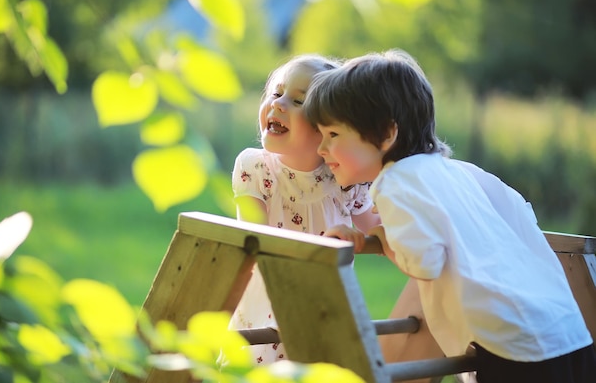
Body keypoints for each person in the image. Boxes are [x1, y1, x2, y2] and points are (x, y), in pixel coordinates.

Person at [303, 48, 596, 383]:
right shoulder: (458, 172)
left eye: (333, 135)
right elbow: (519, 214)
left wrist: (383, 237)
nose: (321, 149)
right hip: (569, 334)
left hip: (515, 348)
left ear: (387, 134)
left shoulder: (394, 183)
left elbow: (424, 263)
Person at [230, 54, 380, 365]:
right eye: (276, 92)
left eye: (298, 101)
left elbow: (377, 234)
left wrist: (356, 236)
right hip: (268, 314)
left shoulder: (344, 178)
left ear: (327, 128)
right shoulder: (256, 168)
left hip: (325, 313)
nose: (279, 104)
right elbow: (255, 243)